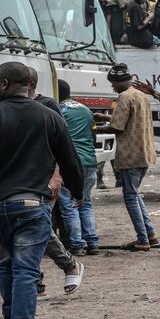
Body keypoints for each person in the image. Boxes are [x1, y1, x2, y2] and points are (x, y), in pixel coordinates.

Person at [0, 63, 84, 319]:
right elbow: (70, 160)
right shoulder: (49, 116)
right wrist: (78, 192)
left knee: (6, 267)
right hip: (33, 205)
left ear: (5, 83)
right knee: (25, 271)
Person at [25, 68, 84, 298]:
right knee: (27, 231)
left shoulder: (47, 106)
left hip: (43, 180)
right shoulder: (5, 108)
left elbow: (62, 145)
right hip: (17, 180)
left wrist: (57, 177)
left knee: (39, 229)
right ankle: (36, 281)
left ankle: (68, 264)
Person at [94, 64, 157, 251]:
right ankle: (150, 233)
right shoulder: (140, 95)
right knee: (135, 194)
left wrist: (94, 128)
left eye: (113, 84)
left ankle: (142, 240)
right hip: (144, 152)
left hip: (130, 155)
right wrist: (105, 117)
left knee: (130, 197)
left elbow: (117, 128)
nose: (112, 88)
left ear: (118, 82)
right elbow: (129, 119)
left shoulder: (124, 96)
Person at [56, 79, 100, 256]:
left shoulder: (58, 110)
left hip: (71, 162)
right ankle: (93, 242)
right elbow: (93, 135)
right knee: (85, 202)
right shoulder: (85, 109)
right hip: (90, 161)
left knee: (69, 204)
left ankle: (76, 245)